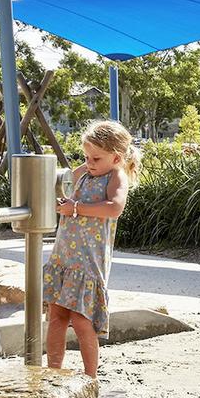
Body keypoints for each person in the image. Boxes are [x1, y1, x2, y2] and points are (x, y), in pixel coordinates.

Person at [44, 120, 139, 378]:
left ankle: (90, 377)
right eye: (86, 156)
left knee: (82, 320)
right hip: (64, 256)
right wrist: (65, 202)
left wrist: (75, 208)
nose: (89, 162)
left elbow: (114, 208)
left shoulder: (115, 176)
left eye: (96, 158)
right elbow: (63, 184)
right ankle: (53, 372)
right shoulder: (84, 173)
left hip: (88, 262)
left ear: (116, 157)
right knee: (56, 316)